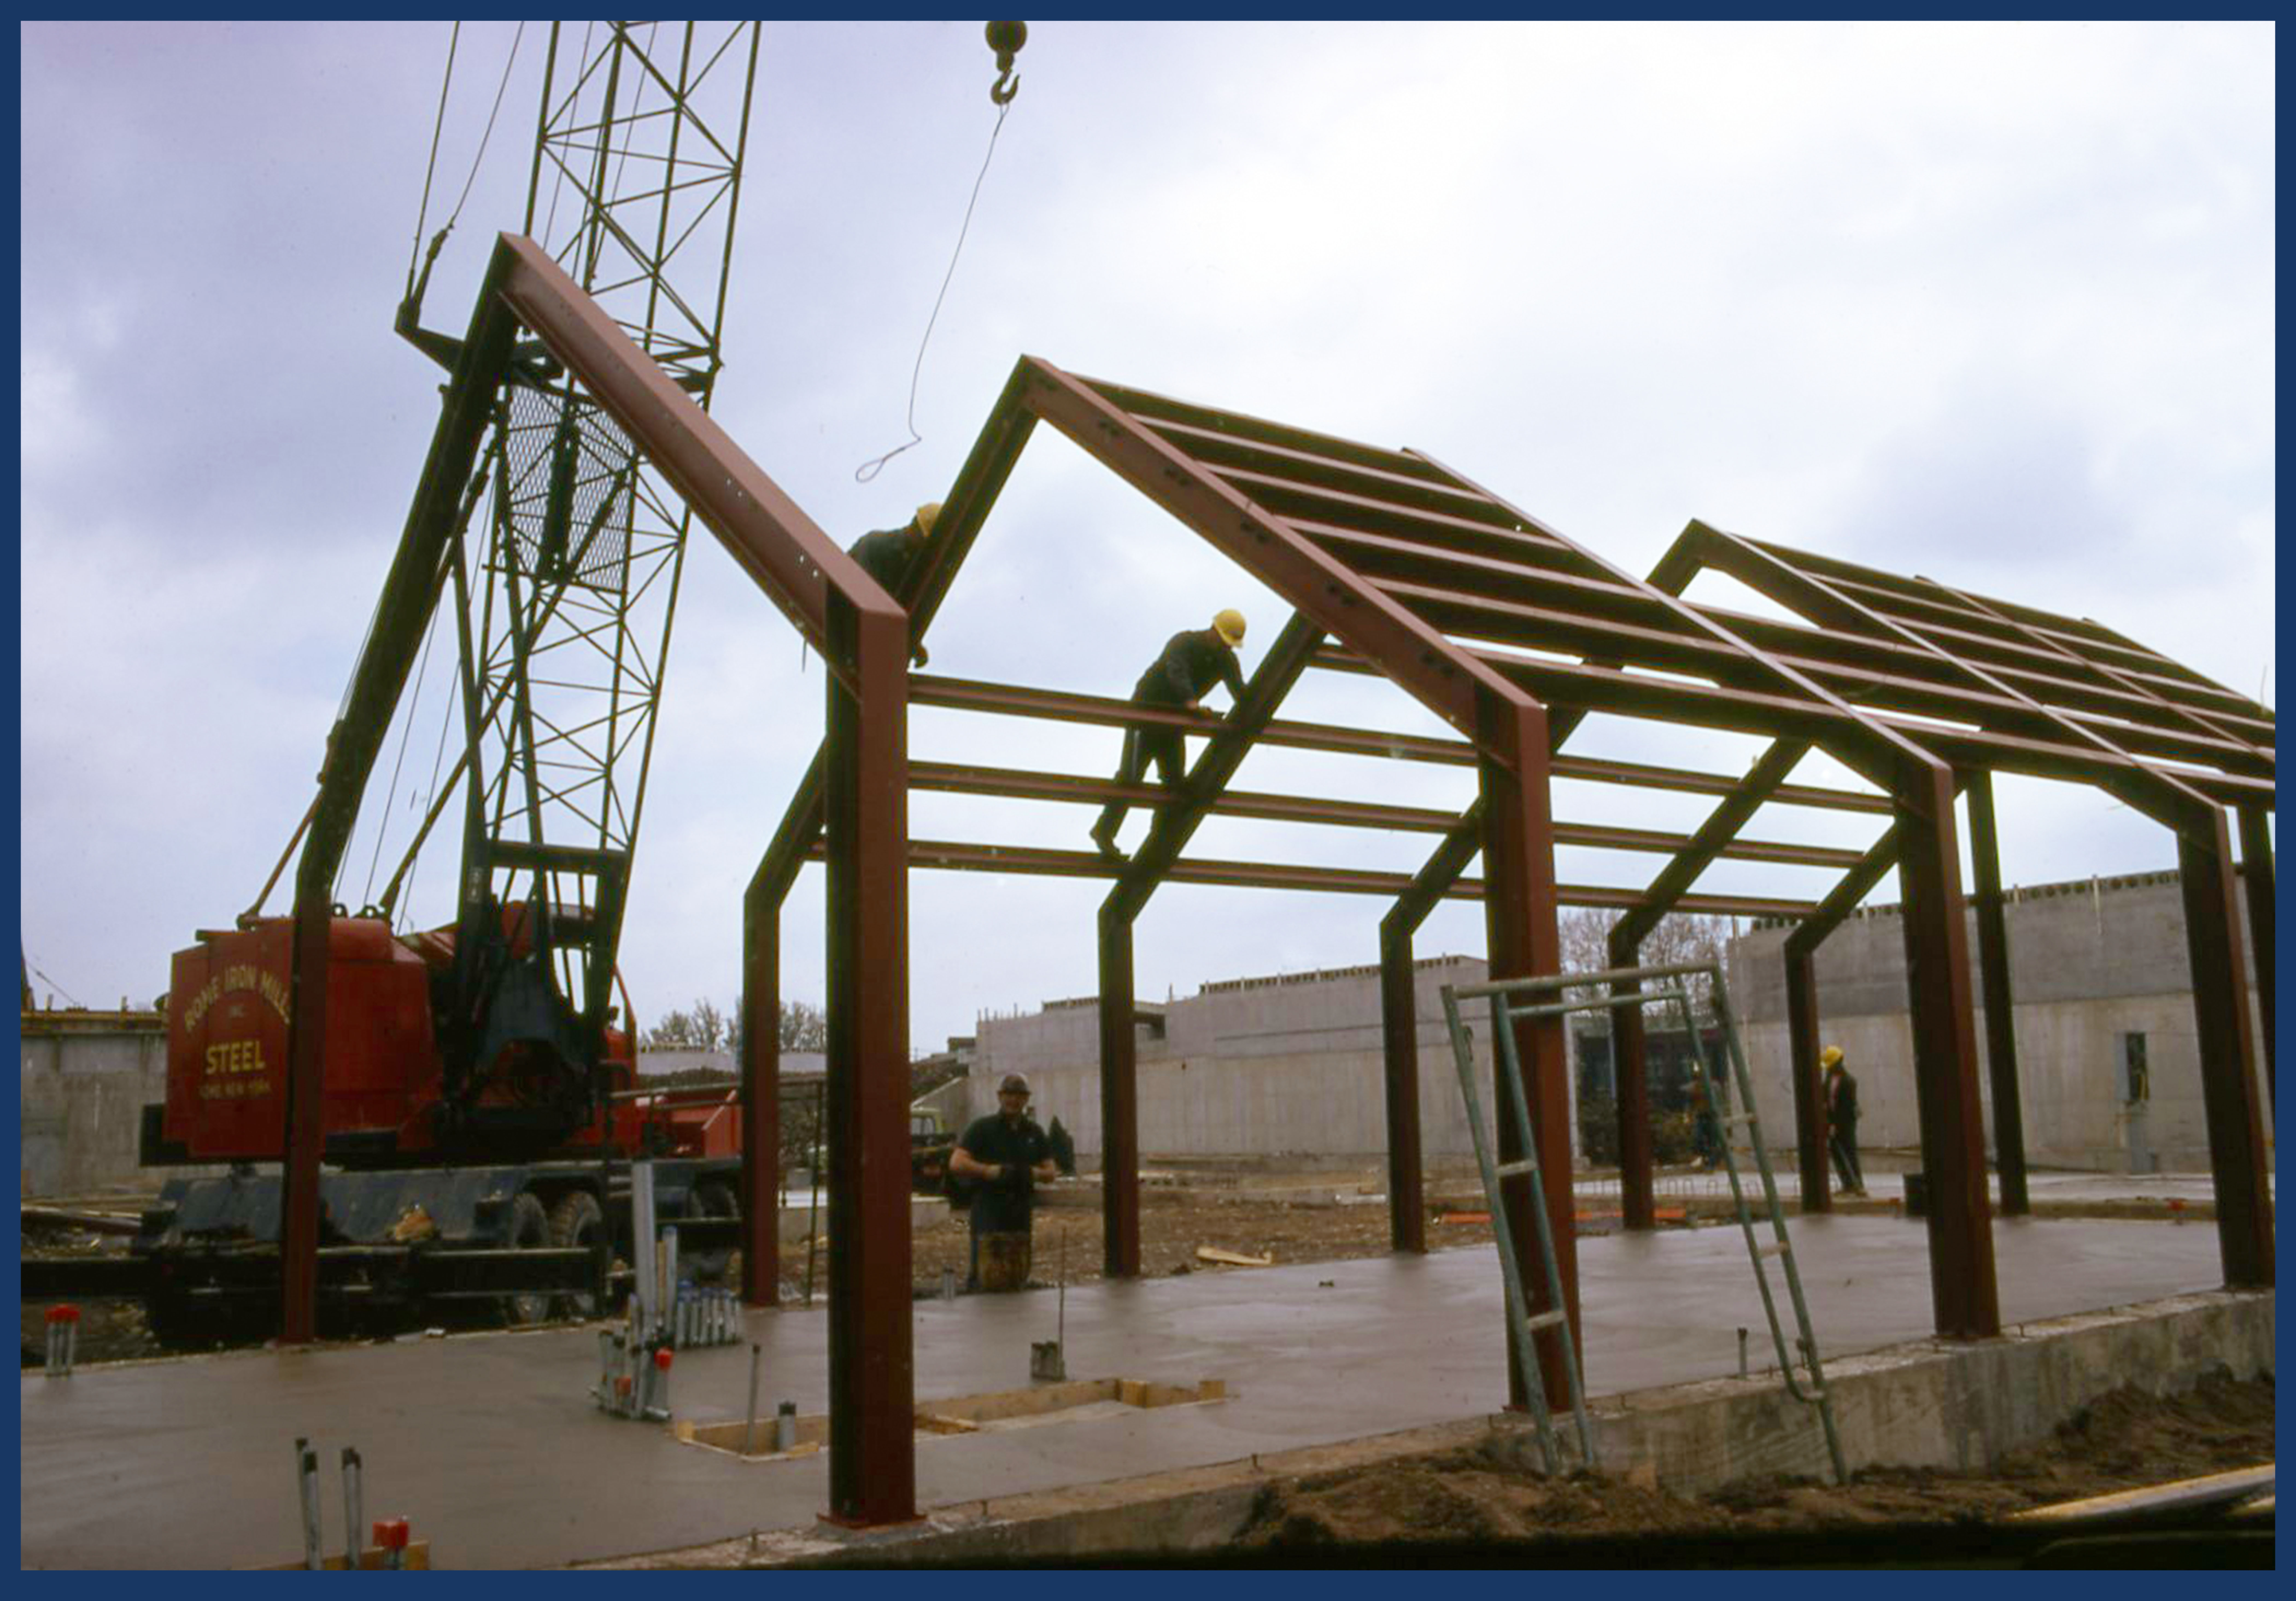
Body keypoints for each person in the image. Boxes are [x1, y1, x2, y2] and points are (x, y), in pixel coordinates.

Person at [1089, 609, 1249, 859]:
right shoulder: (1184, 643)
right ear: (1213, 631)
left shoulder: (1225, 660)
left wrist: (1249, 711)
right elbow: (1177, 671)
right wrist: (1192, 704)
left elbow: (1239, 689)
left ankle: (1157, 842)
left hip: (1174, 721)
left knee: (1175, 782)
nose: (1225, 649)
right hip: (1146, 713)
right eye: (1224, 642)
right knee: (1132, 777)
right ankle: (1104, 832)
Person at [948, 1073, 1057, 1291]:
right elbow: (957, 1163)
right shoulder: (982, 1129)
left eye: (1019, 1095)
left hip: (1020, 1207)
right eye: (1009, 1095)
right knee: (986, 1267)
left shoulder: (1034, 1133)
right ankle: (982, 1300)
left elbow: (1051, 1172)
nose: (1013, 1100)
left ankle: (1015, 1304)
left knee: (1018, 1266)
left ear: (1027, 1099)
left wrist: (1030, 1173)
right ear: (1000, 1097)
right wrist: (988, 1171)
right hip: (989, 1206)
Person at [844, 501, 942, 667]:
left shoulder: (914, 565)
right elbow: (867, 601)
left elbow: (902, 607)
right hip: (850, 625)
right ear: (914, 528)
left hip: (875, 633)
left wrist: (912, 643)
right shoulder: (876, 546)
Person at [1822, 1045, 1865, 1196]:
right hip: (1832, 1122)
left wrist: (1836, 1125)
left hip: (1846, 1123)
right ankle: (1847, 1184)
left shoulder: (1849, 1082)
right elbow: (1825, 1099)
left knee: (1849, 1152)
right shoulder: (1828, 1080)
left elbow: (1846, 1107)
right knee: (1836, 1154)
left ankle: (1858, 1185)